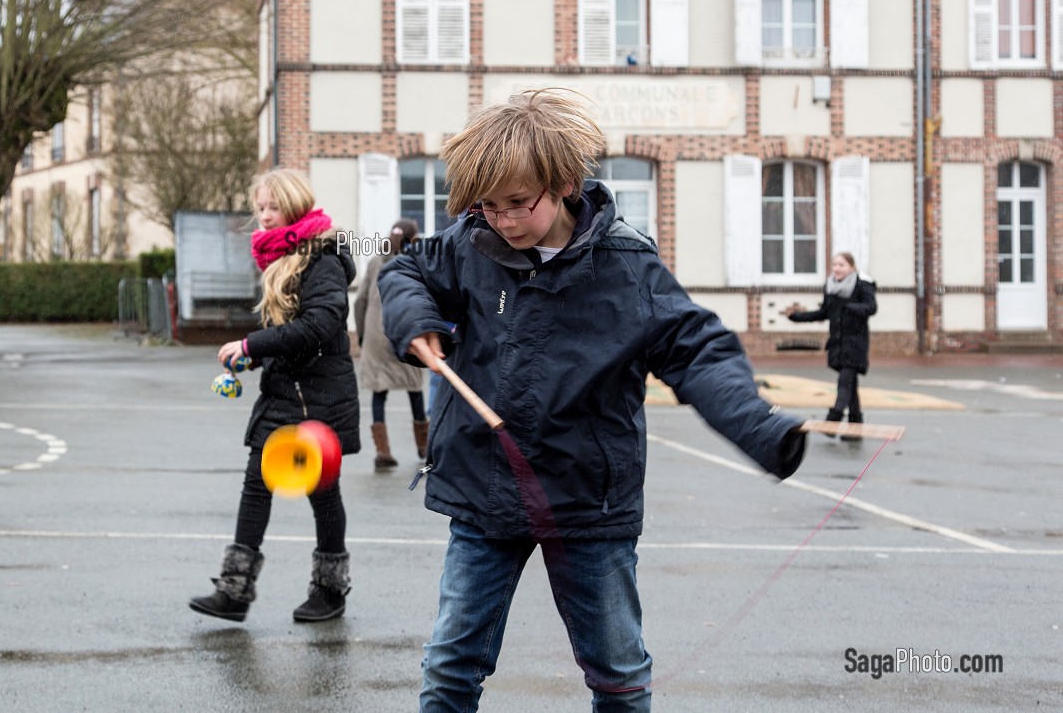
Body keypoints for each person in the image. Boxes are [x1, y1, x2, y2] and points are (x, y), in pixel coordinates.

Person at [378, 89, 807, 712]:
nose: (502, 220)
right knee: (449, 669)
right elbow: (404, 270)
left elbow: (697, 349)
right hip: (484, 493)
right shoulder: (468, 243)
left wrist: (761, 429)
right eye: (487, 205)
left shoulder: (627, 268)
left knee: (619, 676)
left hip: (587, 503)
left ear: (562, 183)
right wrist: (414, 317)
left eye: (518, 203)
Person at [190, 167, 362, 624]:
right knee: (256, 486)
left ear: (294, 206)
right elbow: (289, 333)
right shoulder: (280, 257)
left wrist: (252, 345)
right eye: (260, 207)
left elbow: (320, 327)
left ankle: (329, 591)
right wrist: (255, 359)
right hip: (284, 393)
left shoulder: (321, 258)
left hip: (320, 399)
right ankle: (234, 590)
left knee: (322, 493)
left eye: (272, 207)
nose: (264, 216)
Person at [354, 218, 428, 469]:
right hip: (405, 331)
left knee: (379, 391)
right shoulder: (416, 261)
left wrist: (363, 335)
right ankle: (424, 447)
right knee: (414, 388)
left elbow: (360, 300)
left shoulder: (376, 261)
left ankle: (383, 452)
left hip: (376, 332)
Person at [781, 251, 877, 437]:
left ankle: (834, 418)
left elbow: (871, 307)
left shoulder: (862, 285)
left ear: (851, 267)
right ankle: (855, 427)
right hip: (837, 342)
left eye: (841, 265)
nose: (837, 269)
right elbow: (824, 312)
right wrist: (796, 317)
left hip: (855, 341)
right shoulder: (831, 287)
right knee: (850, 384)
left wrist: (849, 307)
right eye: (834, 265)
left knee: (844, 380)